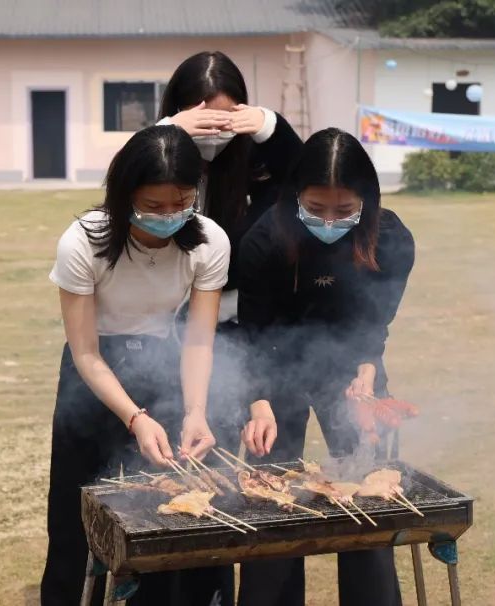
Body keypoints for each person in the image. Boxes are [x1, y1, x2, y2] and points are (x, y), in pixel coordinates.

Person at [40, 124, 230, 605]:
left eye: (181, 202)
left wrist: (194, 411)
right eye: (153, 204)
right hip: (94, 374)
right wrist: (135, 417)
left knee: (163, 512)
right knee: (78, 518)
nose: (168, 215)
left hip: (163, 365)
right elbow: (85, 351)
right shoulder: (84, 241)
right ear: (125, 194)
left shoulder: (209, 241)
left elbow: (198, 342)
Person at [235, 128, 415, 606]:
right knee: (273, 499)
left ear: (367, 201)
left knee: (366, 495)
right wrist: (257, 401)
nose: (330, 221)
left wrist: (367, 366)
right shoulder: (263, 242)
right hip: (273, 369)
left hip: (348, 368)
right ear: (295, 197)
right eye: (315, 209)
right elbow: (250, 332)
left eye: (344, 211)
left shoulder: (391, 239)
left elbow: (376, 318)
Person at [158, 49, 298, 465]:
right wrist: (167, 132)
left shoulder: (257, 158)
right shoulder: (162, 155)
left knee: (272, 462)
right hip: (179, 329)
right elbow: (122, 181)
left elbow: (311, 178)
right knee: (200, 459)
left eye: (226, 121)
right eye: (204, 121)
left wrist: (270, 126)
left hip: (248, 326)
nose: (216, 133)